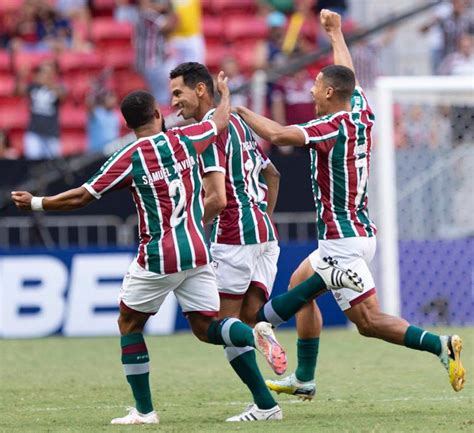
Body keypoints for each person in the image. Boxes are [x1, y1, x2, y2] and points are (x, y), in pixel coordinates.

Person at [11, 72, 288, 425]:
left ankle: (144, 412)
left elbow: (82, 195)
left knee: (129, 323)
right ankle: (260, 358)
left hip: (159, 254)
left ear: (128, 125)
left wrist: (36, 202)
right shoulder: (187, 137)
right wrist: (225, 92)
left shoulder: (131, 156)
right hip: (198, 252)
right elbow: (219, 120)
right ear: (157, 114)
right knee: (208, 327)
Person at [236, 9, 466, 399]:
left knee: (272, 312)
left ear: (328, 93)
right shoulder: (358, 110)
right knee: (366, 321)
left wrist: (238, 109)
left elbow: (276, 132)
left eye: (315, 85)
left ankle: (271, 321)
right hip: (355, 232)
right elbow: (348, 74)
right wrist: (335, 33)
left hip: (343, 239)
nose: (310, 91)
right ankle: (309, 377)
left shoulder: (328, 127)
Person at [169, 62, 284, 422]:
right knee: (247, 320)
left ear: (200, 90)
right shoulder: (239, 125)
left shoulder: (208, 133)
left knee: (219, 326)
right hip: (265, 234)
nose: (174, 103)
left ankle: (266, 404)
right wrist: (263, 215)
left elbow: (216, 199)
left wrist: (184, 228)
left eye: (178, 93)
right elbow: (273, 173)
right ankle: (267, 399)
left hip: (234, 236)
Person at [15, 61, 67, 159]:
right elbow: (18, 92)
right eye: (43, 71)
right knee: (32, 163)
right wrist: (21, 77)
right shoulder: (34, 86)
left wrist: (48, 83)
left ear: (54, 73)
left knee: (54, 165)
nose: (45, 74)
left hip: (52, 133)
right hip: (34, 131)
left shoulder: (59, 87)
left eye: (48, 72)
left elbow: (62, 97)